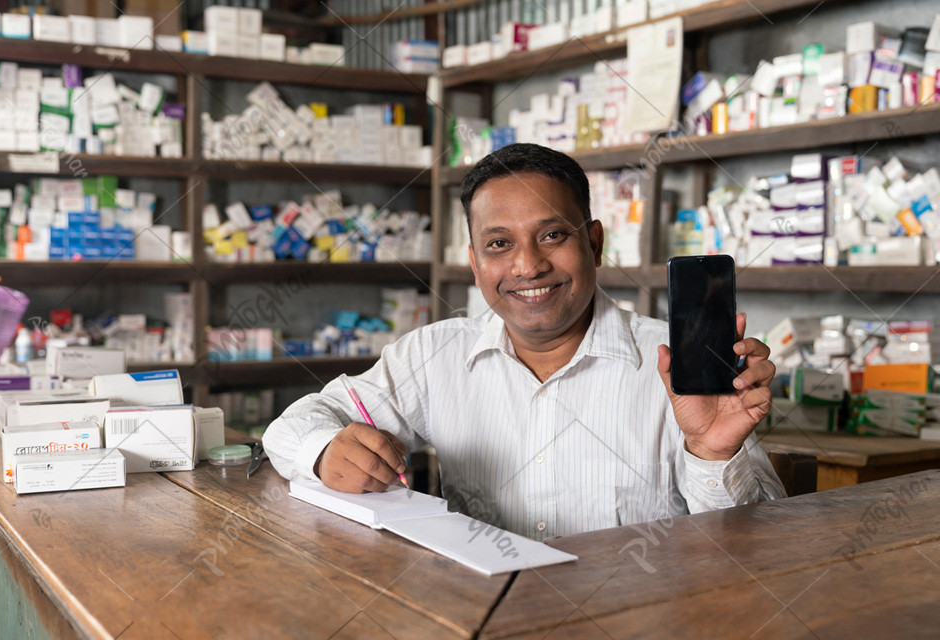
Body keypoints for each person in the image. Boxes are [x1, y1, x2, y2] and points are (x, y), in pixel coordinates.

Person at [264, 143, 785, 540]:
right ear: (474, 263)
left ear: (595, 243)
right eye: (498, 244)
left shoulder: (678, 369)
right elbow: (294, 425)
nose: (528, 265)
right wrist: (324, 449)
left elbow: (759, 543)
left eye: (553, 235)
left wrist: (714, 452)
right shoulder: (433, 356)